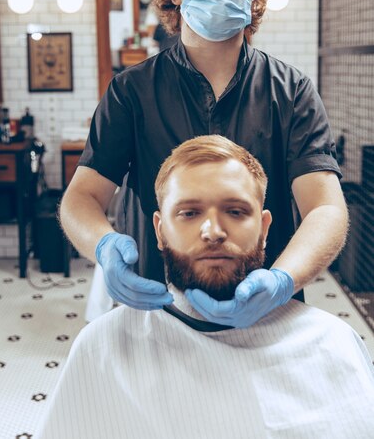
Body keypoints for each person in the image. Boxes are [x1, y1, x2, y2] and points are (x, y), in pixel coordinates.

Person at [60, 0, 348, 327]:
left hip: (267, 312)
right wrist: (103, 246)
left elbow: (326, 208)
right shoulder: (131, 92)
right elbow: (82, 197)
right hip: (158, 309)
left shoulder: (291, 92)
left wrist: (282, 281)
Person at [38, 136, 374, 439]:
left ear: (264, 228)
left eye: (235, 210)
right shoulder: (103, 349)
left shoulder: (332, 343)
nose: (213, 231)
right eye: (189, 212)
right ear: (159, 230)